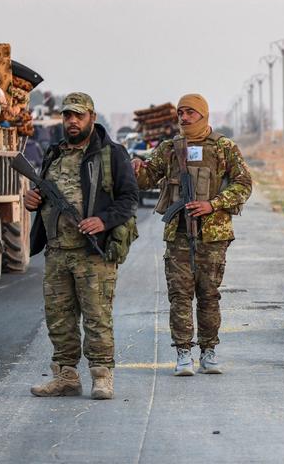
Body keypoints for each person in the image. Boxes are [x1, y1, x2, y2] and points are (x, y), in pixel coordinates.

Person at [26, 92, 139, 399]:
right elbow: (43, 196)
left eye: (78, 115)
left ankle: (102, 376)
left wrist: (103, 221)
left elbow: (129, 199)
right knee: (58, 318)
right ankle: (66, 376)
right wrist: (32, 201)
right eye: (67, 116)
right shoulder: (54, 153)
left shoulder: (111, 153)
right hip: (57, 251)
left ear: (92, 116)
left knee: (97, 316)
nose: (72, 121)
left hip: (93, 253)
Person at [132, 93, 252, 376]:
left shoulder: (223, 147)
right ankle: (183, 353)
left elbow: (244, 183)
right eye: (180, 113)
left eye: (190, 113)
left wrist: (212, 204)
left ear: (203, 114)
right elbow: (147, 179)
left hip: (213, 235)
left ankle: (209, 352)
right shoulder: (170, 148)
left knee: (209, 295)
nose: (184, 118)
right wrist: (137, 169)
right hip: (179, 234)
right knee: (180, 295)